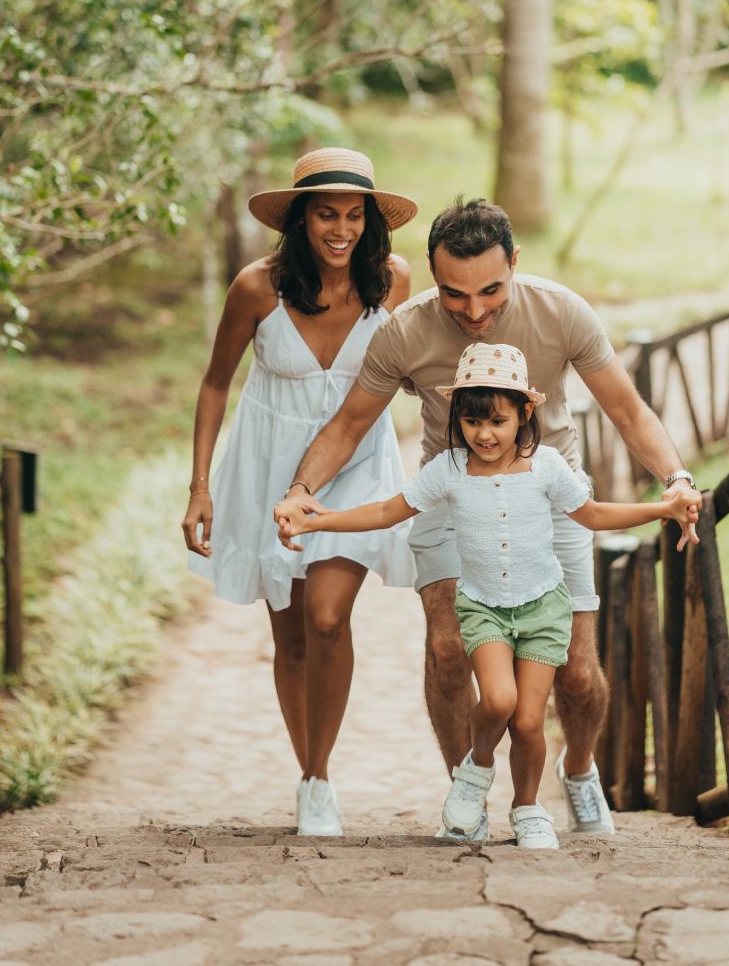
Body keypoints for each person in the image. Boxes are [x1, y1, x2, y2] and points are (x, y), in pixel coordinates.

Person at [274, 197, 700, 840]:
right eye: (454, 294)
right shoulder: (406, 332)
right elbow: (351, 422)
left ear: (515, 264)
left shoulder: (562, 312)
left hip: (549, 490)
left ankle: (579, 770)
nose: (474, 311)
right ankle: (464, 797)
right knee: (449, 651)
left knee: (578, 675)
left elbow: (629, 411)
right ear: (432, 276)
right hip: (451, 494)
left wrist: (676, 479)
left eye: (491, 291)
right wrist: (303, 491)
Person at [181, 147, 418, 838]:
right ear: (301, 220)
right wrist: (200, 487)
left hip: (359, 462)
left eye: (352, 215)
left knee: (325, 617)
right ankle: (311, 775)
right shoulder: (257, 287)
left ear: (371, 222)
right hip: (265, 464)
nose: (339, 229)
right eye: (325, 214)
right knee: (288, 639)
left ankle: (320, 773)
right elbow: (215, 382)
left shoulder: (394, 280)